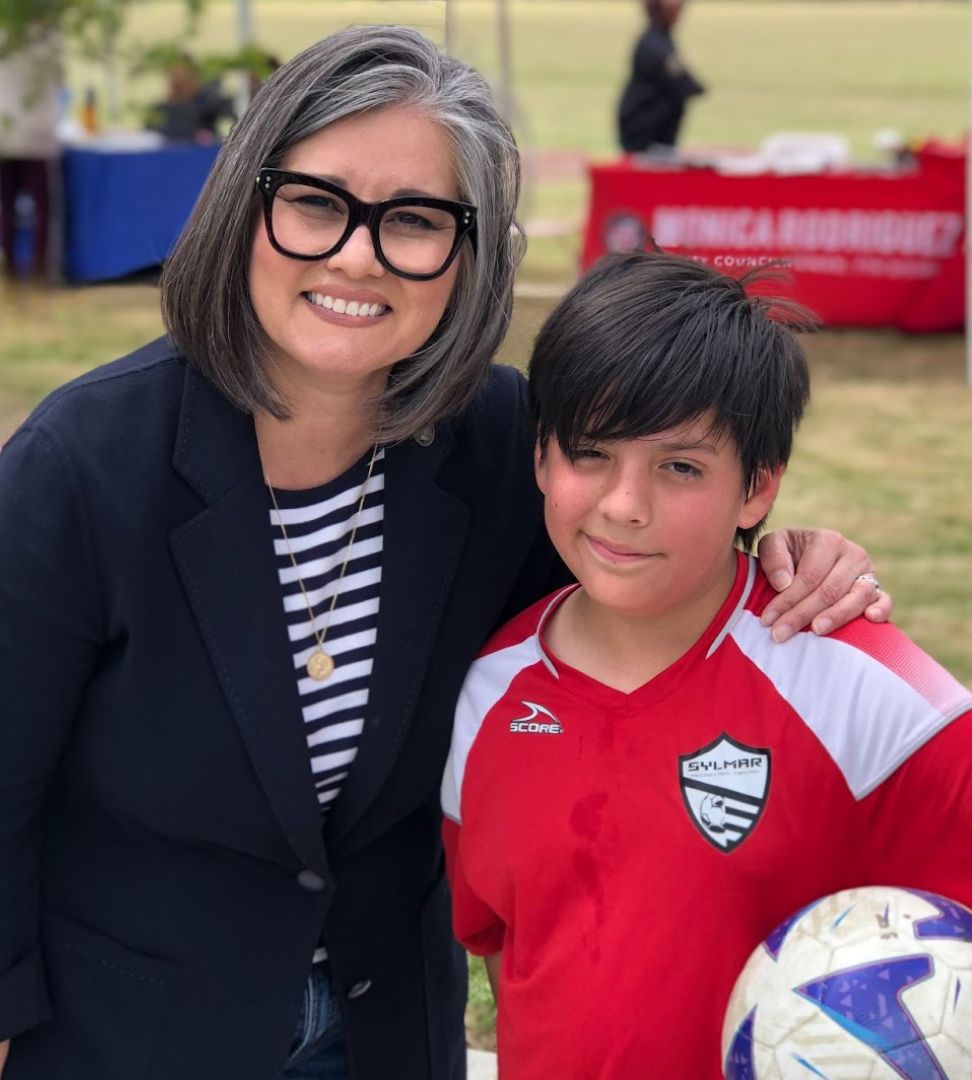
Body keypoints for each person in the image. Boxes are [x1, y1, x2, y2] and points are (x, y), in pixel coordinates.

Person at [0, 26, 891, 1080]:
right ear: (247, 204)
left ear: (468, 256)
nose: (357, 255)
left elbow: (636, 594)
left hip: (390, 1032)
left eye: (414, 221)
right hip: (132, 1042)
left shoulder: (497, 443)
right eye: (316, 202)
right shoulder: (83, 464)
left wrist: (777, 556)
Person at [441, 252, 972, 1080]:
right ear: (540, 456)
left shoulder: (842, 673)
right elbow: (511, 947)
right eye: (590, 452)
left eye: (680, 466)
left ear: (758, 488)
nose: (624, 503)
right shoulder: (485, 695)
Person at [0, 21, 62, 281]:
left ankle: (12, 266)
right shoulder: (48, 36)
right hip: (36, 137)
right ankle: (39, 267)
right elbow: (59, 77)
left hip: (10, 135)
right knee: (41, 210)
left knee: (8, 208)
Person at [617, 0, 704, 154]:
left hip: (653, 123)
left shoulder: (659, 37)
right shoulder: (654, 43)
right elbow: (679, 77)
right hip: (644, 126)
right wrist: (695, 87)